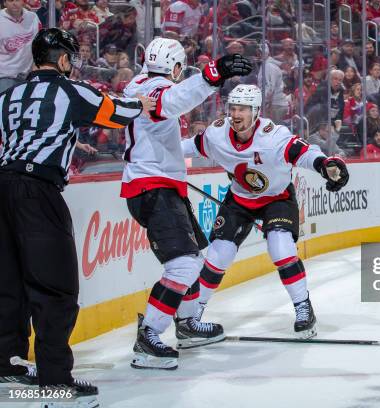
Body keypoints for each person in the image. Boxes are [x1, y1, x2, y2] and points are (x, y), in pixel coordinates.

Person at [0, 28, 151, 404]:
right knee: (55, 288)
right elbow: (116, 113)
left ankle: (7, 364)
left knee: (8, 283)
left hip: (2, 187)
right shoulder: (71, 90)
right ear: (63, 60)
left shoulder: (7, 96)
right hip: (39, 192)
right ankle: (56, 380)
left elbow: (26, 133)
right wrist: (142, 104)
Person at [122, 38, 252, 370]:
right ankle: (149, 334)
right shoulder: (152, 89)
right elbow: (173, 101)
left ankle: (188, 322)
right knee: (183, 266)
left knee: (195, 255)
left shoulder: (140, 83)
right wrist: (212, 75)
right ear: (177, 67)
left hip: (161, 185)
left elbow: (167, 116)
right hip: (152, 188)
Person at [181, 84, 349, 340]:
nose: (236, 114)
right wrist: (153, 156)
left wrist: (325, 165)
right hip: (239, 198)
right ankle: (192, 316)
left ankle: (304, 308)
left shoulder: (274, 136)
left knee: (280, 246)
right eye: (233, 108)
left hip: (277, 198)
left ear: (257, 111)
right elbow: (188, 147)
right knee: (218, 255)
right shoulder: (217, 134)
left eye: (244, 109)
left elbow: (305, 153)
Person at [0, 0, 41, 93]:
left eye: (17, 0)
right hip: (5, 77)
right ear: (4, 3)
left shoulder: (33, 17)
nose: (14, 3)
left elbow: (39, 44)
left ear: (23, 1)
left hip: (29, 76)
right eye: (10, 0)